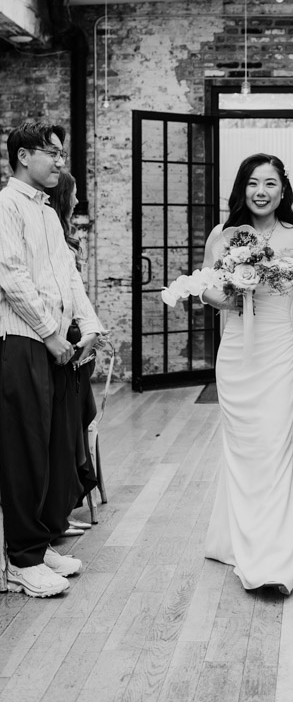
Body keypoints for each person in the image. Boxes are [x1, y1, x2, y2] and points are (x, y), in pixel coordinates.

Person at [200, 153, 293, 594]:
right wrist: (225, 296)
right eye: (253, 183)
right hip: (236, 352)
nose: (261, 192)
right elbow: (205, 286)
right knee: (242, 448)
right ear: (242, 189)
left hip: (277, 353)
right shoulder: (222, 235)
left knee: (275, 446)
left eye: (270, 183)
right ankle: (240, 539)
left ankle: (276, 556)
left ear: (283, 190)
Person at [0, 121, 103, 597]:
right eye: (52, 153)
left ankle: (39, 546)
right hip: (23, 341)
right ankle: (21, 560)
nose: (61, 161)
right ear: (24, 156)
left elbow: (68, 276)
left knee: (50, 448)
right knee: (23, 450)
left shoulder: (45, 209)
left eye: (62, 154)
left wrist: (90, 326)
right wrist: (49, 334)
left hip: (55, 343)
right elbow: (11, 276)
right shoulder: (6, 204)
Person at [48, 170, 98, 528]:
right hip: (59, 344)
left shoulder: (67, 239)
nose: (78, 201)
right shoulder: (57, 243)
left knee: (73, 427)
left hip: (75, 341)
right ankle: (58, 511)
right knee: (63, 431)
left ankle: (64, 507)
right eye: (74, 194)